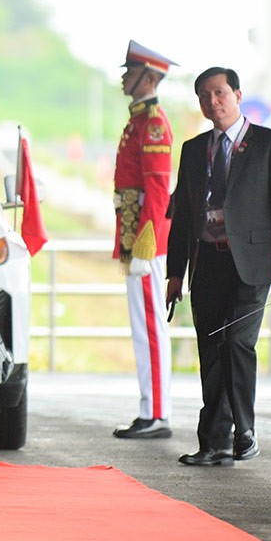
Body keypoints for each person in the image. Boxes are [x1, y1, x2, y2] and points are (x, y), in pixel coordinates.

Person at [167, 67, 271, 466]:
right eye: (204, 96)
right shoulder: (193, 149)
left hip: (251, 263)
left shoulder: (269, 144)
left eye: (219, 93)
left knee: (237, 342)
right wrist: (175, 273)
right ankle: (214, 441)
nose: (212, 102)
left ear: (237, 94)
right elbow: (183, 215)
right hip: (207, 261)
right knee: (211, 348)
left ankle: (244, 431)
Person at [111, 41, 176, 440]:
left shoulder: (153, 123)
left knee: (150, 326)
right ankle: (150, 408)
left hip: (146, 239)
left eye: (131, 72)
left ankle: (155, 412)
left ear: (149, 78)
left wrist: (145, 244)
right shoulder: (138, 120)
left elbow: (157, 191)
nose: (124, 78)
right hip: (134, 233)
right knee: (142, 325)